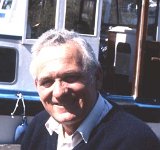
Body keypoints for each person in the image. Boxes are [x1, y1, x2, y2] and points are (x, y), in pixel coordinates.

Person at [21, 29, 160, 150]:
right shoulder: (38, 128)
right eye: (47, 82)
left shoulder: (136, 142)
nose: (58, 92)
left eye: (70, 77)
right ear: (36, 85)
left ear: (97, 77)